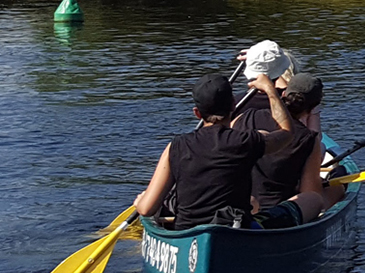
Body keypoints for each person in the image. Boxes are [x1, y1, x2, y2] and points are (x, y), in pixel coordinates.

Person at [134, 73, 321, 230]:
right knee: (313, 199)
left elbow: (146, 209)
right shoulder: (248, 141)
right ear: (233, 105)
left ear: (197, 113)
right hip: (235, 229)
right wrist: (271, 92)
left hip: (187, 230)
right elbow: (287, 132)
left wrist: (139, 201)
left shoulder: (175, 146)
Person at [233, 72, 337, 220]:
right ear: (312, 108)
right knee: (325, 194)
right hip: (275, 211)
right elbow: (310, 192)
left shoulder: (244, 117)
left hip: (240, 202)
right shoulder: (308, 139)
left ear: (284, 94)